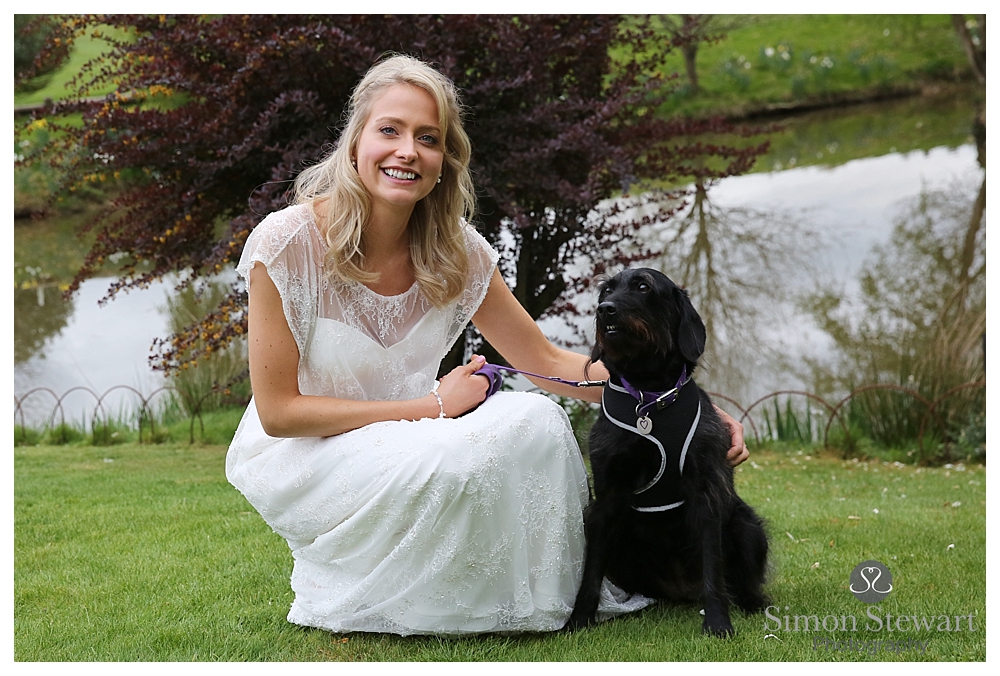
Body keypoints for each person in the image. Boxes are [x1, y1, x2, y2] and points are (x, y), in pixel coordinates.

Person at [226, 54, 749, 636]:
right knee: (449, 457)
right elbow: (278, 413)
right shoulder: (287, 241)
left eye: (428, 139)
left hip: (414, 436)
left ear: (445, 163)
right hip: (312, 452)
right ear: (355, 144)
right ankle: (390, 583)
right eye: (389, 131)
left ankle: (504, 590)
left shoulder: (457, 253)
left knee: (536, 417)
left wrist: (684, 407)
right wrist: (433, 407)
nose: (408, 151)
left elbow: (548, 363)